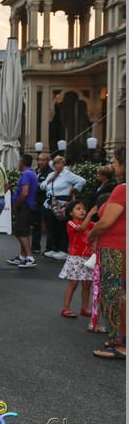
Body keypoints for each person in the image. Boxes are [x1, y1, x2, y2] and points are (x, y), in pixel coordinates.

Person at [88, 146, 126, 361]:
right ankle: (119, 339)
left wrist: (92, 234)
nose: (113, 165)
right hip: (119, 248)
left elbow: (106, 222)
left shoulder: (122, 188)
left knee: (114, 294)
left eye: (115, 161)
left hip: (115, 249)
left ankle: (119, 343)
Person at [40, 156, 86, 260]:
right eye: (56, 163)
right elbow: (42, 186)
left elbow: (82, 181)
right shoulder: (51, 174)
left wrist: (74, 189)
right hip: (50, 203)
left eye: (60, 163)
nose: (58, 165)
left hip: (62, 203)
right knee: (52, 226)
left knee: (62, 226)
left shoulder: (67, 174)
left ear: (63, 164)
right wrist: (51, 179)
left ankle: (63, 249)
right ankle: (55, 248)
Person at [57, 200, 97, 319]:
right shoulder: (71, 223)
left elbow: (98, 226)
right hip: (75, 257)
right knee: (73, 283)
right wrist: (90, 214)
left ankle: (84, 308)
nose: (82, 211)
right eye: (78, 209)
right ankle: (66, 308)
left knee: (87, 284)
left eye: (83, 209)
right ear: (71, 213)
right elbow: (81, 228)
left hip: (88, 257)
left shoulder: (89, 224)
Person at [6, 154, 38, 269]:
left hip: (24, 206)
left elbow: (24, 192)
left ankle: (29, 256)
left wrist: (17, 204)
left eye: (19, 161)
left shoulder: (26, 174)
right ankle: (23, 255)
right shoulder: (31, 173)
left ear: (22, 162)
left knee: (21, 232)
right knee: (23, 231)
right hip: (27, 206)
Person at [32, 152, 53, 253]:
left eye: (43, 160)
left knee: (49, 225)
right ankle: (35, 246)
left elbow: (44, 187)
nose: (40, 162)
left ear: (48, 161)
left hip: (45, 201)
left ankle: (49, 247)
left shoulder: (50, 173)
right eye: (39, 159)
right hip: (37, 201)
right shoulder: (37, 171)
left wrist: (37, 185)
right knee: (36, 224)